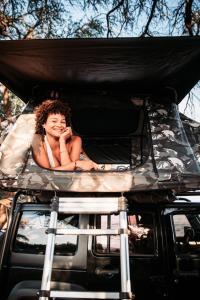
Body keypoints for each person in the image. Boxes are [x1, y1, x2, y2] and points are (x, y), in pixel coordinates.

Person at [32, 99, 99, 171]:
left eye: (63, 121)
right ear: (43, 124)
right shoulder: (38, 141)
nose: (59, 125)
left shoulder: (75, 140)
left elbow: (69, 174)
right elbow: (46, 173)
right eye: (54, 121)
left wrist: (62, 141)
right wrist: (76, 164)